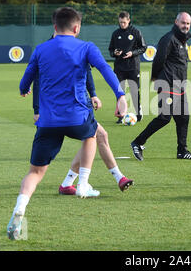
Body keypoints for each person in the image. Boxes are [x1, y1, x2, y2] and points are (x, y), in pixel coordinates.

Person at [7, 7, 127, 240]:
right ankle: (83, 183)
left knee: (35, 172)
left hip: (48, 120)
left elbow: (26, 80)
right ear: (77, 27)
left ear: (54, 27)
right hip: (76, 117)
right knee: (91, 134)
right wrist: (120, 95)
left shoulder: (41, 49)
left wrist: (24, 89)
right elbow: (104, 68)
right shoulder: (86, 47)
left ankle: (19, 209)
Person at [33, 55, 134, 196]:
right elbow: (37, 79)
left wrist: (93, 94)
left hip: (74, 107)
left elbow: (87, 71)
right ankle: (83, 184)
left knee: (99, 135)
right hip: (67, 110)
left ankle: (69, 183)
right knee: (92, 137)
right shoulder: (53, 49)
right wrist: (37, 109)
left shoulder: (68, 48)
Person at [130, 12, 191, 161]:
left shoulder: (182, 41)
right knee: (164, 117)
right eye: (183, 23)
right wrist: (156, 79)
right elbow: (158, 60)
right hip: (167, 84)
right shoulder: (169, 39)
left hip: (179, 85)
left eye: (188, 23)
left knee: (183, 118)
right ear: (176, 22)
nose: (185, 26)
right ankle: (138, 142)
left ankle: (182, 151)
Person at [108, 11, 147, 123]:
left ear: (129, 20)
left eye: (124, 22)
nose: (122, 24)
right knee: (120, 91)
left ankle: (138, 112)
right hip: (119, 67)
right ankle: (121, 115)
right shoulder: (116, 33)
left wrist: (132, 53)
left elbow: (143, 47)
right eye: (120, 22)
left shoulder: (136, 32)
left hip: (133, 66)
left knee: (134, 90)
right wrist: (115, 52)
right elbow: (110, 50)